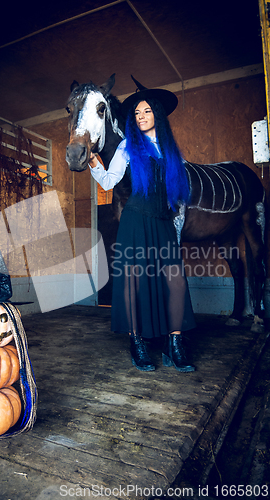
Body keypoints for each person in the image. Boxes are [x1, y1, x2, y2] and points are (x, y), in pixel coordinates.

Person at [89, 84, 196, 373]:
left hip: (162, 224)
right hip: (136, 222)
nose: (141, 116)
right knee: (135, 283)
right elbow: (110, 181)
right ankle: (137, 343)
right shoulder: (128, 146)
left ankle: (174, 346)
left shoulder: (171, 150)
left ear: (157, 113)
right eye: (137, 113)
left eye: (147, 111)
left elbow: (179, 191)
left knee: (174, 283)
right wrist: (93, 163)